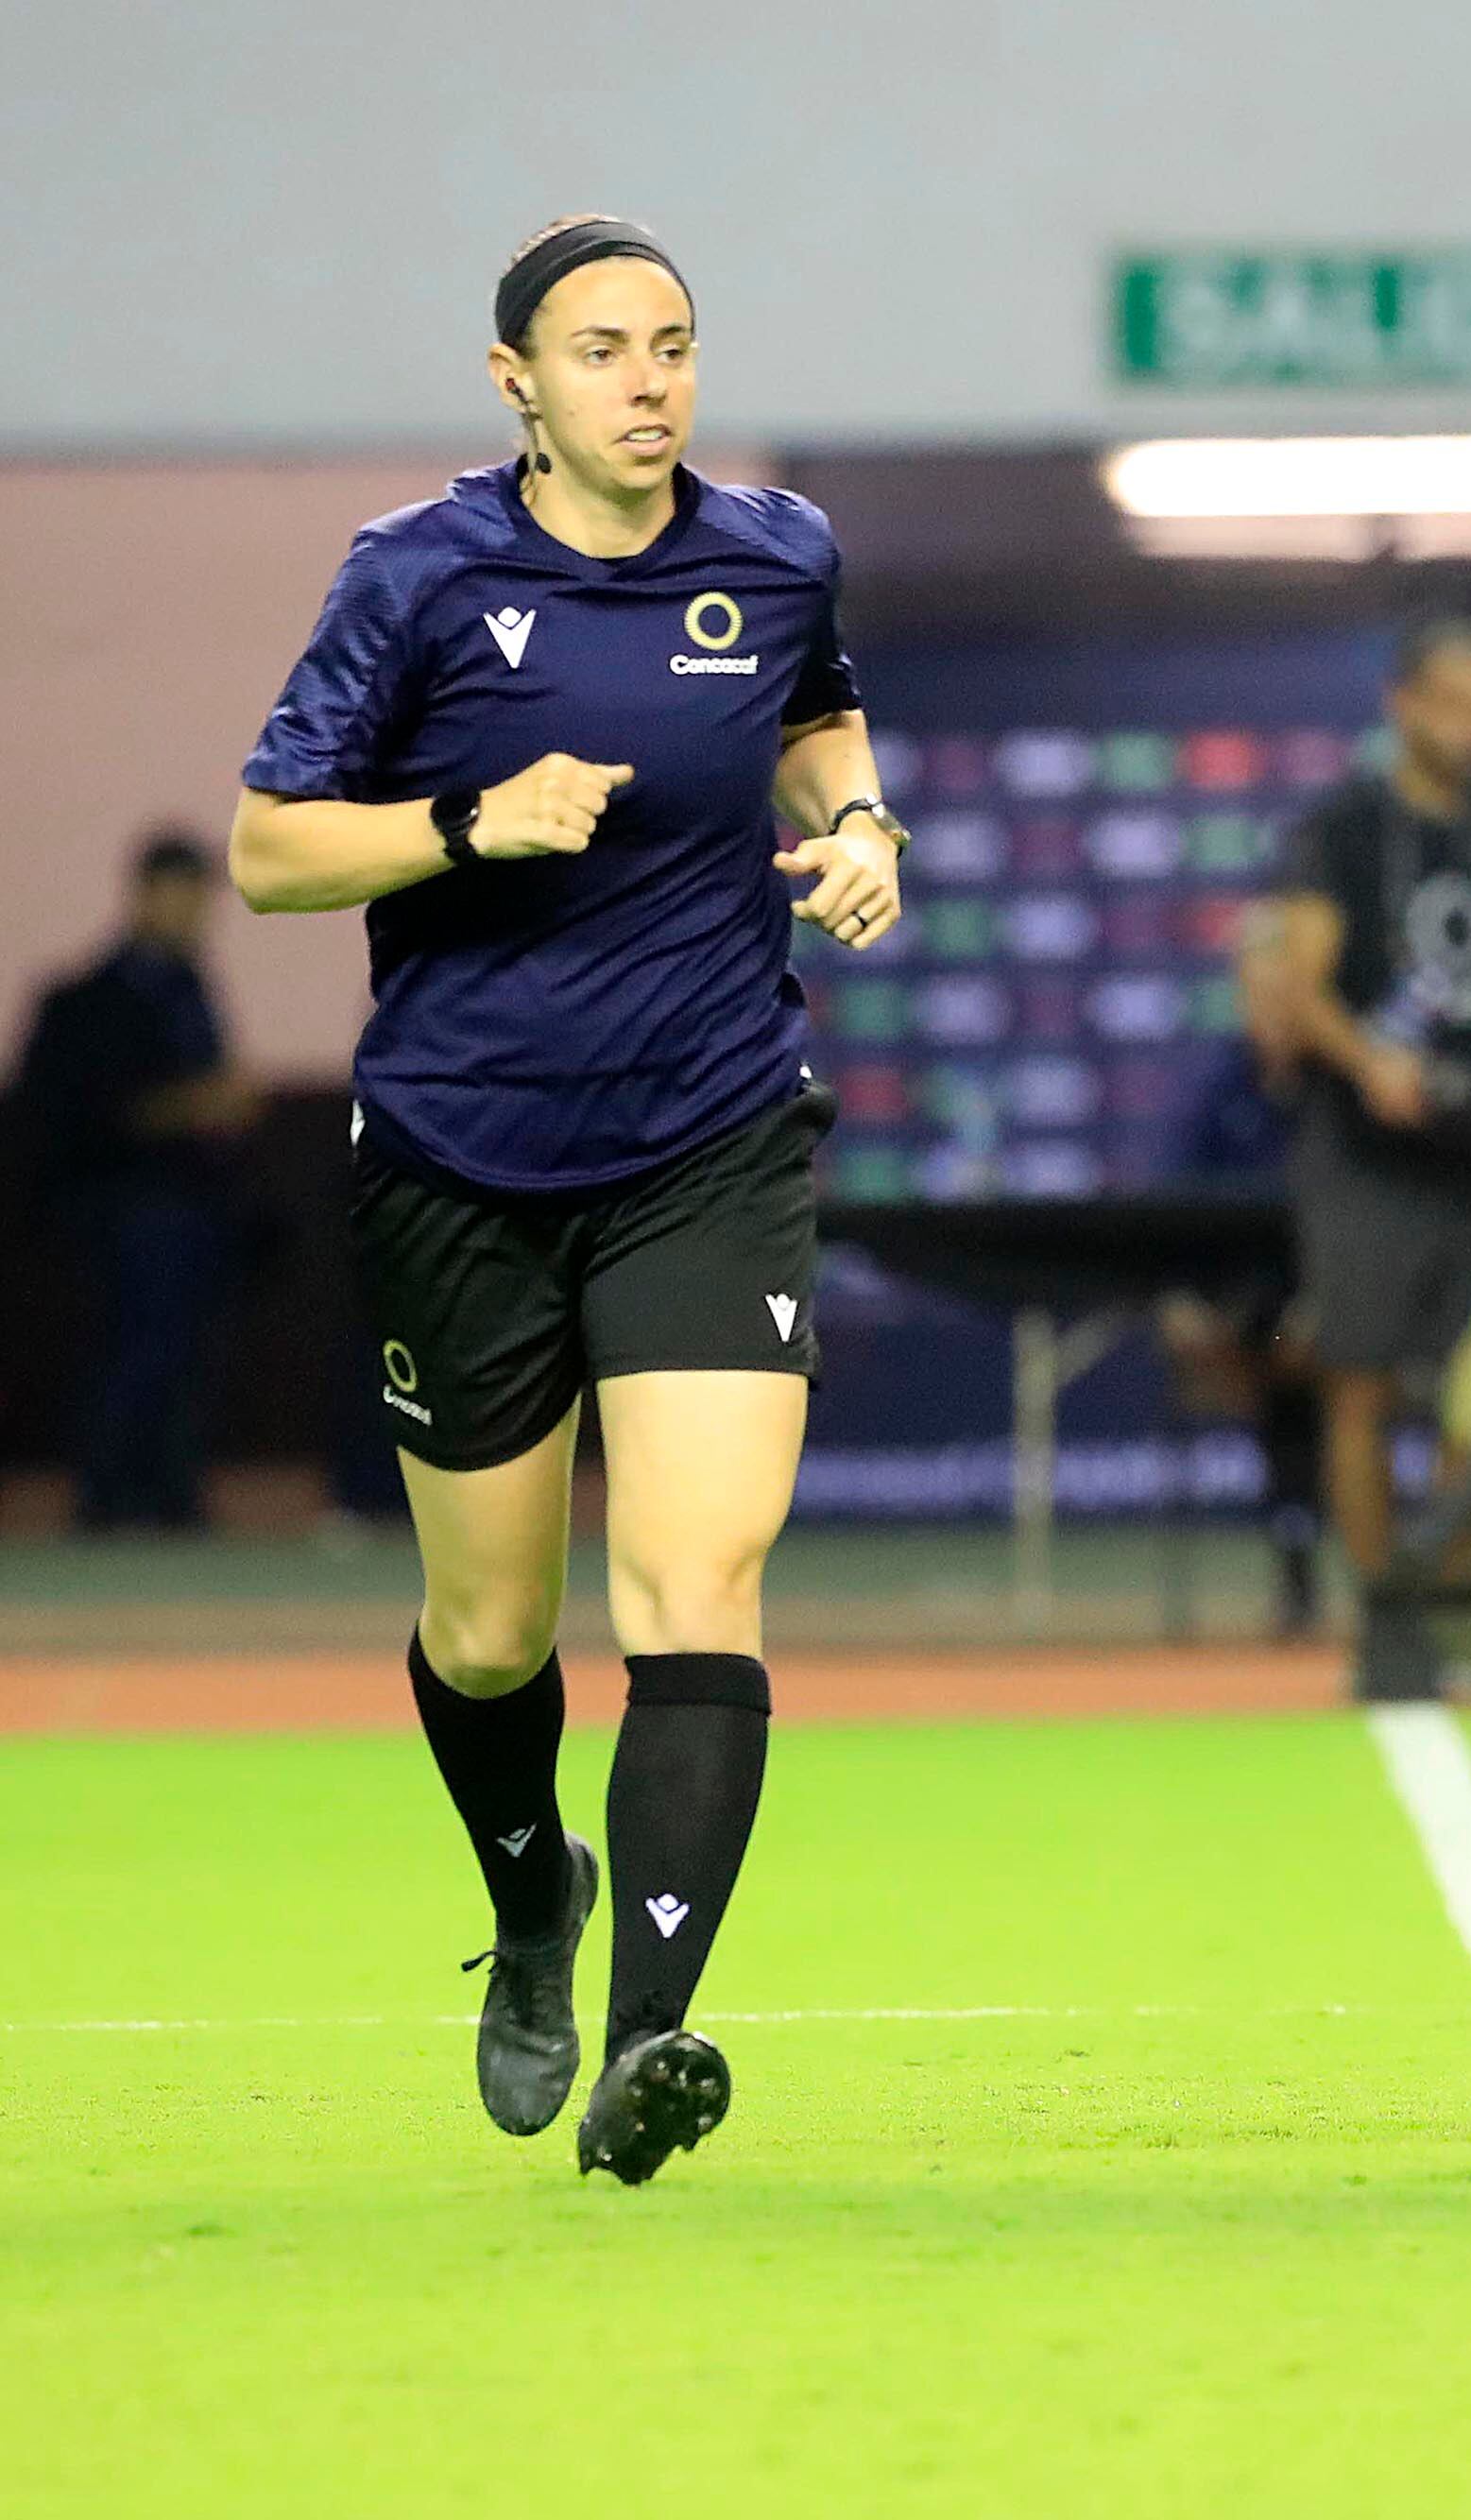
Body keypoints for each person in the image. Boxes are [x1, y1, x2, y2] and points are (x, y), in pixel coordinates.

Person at [231, 215, 900, 2183]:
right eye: (602, 349)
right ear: (514, 378)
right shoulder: (417, 575)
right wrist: (464, 821)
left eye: (673, 345)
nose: (648, 380)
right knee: (493, 1627)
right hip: (461, 1151)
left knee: (696, 1584)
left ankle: (649, 2044)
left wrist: (854, 821)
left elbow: (808, 708)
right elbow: (272, 847)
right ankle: (536, 1894)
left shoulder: (772, 551)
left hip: (709, 1136)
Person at [1241, 618, 1471, 1586]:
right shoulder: (1346, 826)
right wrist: (1371, 1063)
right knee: (1359, 1381)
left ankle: (1452, 1598)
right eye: (1453, 707)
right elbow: (1296, 983)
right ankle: (1382, 1612)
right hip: (1364, 1150)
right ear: (1403, 705)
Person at [13, 831, 263, 1530]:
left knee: (187, 1349)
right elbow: (79, 1115)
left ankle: (171, 1492)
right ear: (148, 894)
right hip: (114, 1211)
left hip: (195, 1207)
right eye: (183, 894)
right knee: (138, 1344)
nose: (195, 914)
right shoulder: (88, 999)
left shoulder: (192, 988)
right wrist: (190, 1107)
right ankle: (108, 1491)